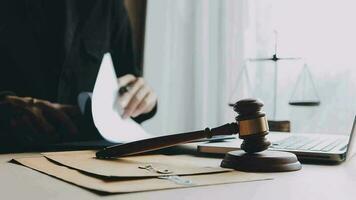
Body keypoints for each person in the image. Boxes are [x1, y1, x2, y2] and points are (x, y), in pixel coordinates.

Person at [0, 0, 157, 149]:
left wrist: (143, 98)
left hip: (89, 158)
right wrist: (5, 107)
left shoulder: (108, 4)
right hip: (11, 153)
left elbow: (129, 81)